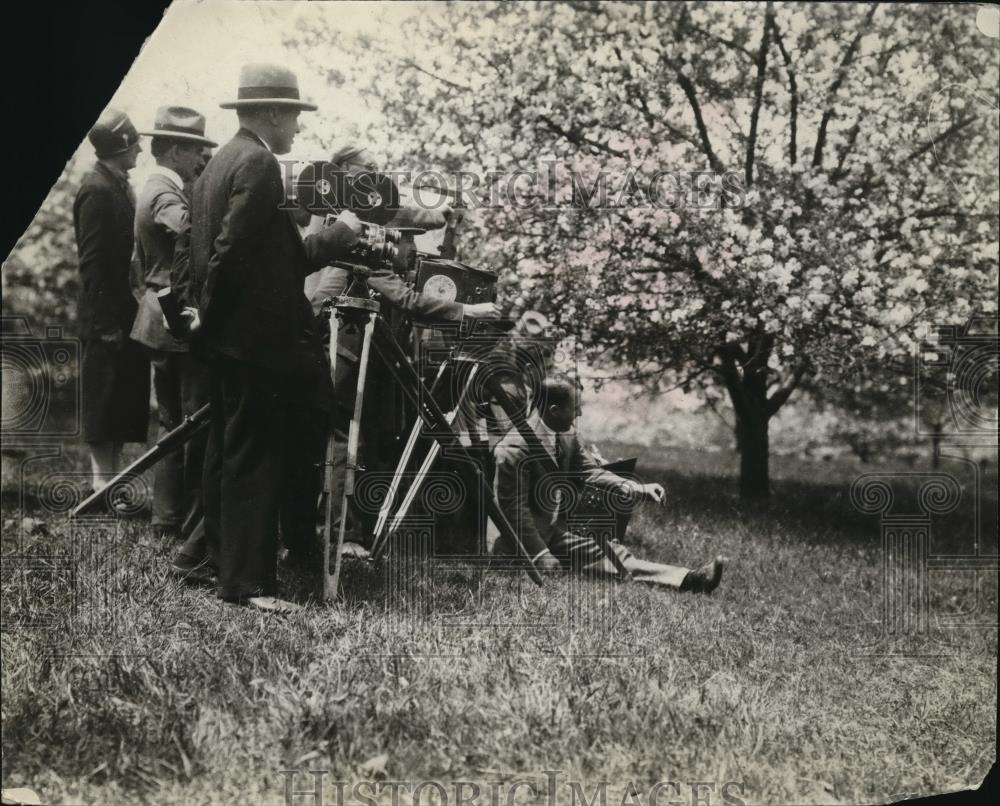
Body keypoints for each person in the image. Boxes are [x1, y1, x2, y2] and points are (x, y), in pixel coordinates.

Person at [182, 62, 364, 611]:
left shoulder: (220, 162)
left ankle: (212, 563)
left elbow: (209, 251)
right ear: (270, 113)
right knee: (252, 457)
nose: (298, 130)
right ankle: (248, 585)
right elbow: (241, 256)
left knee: (225, 453)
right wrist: (344, 233)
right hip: (254, 339)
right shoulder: (259, 163)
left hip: (228, 337)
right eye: (293, 116)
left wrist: (201, 320)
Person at [493, 376, 726, 592]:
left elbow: (589, 471)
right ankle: (687, 580)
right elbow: (513, 512)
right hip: (517, 545)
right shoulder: (514, 448)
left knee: (613, 552)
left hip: (551, 533)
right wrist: (539, 553)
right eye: (575, 409)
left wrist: (635, 487)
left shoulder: (565, 434)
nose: (580, 413)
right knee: (589, 561)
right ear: (553, 411)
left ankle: (691, 580)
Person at [130, 106, 217, 543]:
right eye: (197, 150)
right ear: (176, 150)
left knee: (172, 423)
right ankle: (183, 523)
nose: (201, 159)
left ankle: (168, 519)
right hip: (175, 321)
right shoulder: (165, 193)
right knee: (192, 422)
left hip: (158, 317)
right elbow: (192, 233)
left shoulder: (159, 187)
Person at [73, 108, 150, 492]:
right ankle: (100, 486)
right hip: (106, 317)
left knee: (119, 403)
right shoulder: (97, 189)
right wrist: (106, 326)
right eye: (134, 142)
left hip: (122, 312)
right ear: (120, 146)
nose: (140, 149)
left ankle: (109, 486)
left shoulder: (115, 184)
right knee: (103, 405)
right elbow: (93, 265)